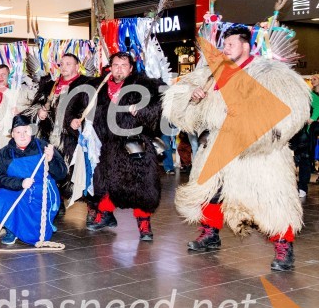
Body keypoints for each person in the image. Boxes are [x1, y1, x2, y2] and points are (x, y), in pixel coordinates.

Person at [164, 25, 310, 270]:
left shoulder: (270, 72)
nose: (226, 48)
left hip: (260, 151)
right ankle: (210, 234)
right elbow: (182, 104)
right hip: (219, 144)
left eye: (231, 44)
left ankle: (284, 247)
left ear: (245, 45)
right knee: (210, 192)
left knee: (273, 199)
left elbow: (292, 109)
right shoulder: (213, 73)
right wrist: (193, 96)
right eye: (224, 44)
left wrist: (258, 130)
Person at [89, 52, 163, 241]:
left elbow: (158, 107)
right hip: (108, 144)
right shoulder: (100, 87)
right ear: (110, 67)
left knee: (142, 186)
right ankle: (105, 214)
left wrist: (143, 111)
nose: (119, 69)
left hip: (136, 143)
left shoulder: (143, 85)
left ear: (131, 68)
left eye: (123, 65)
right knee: (105, 181)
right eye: (115, 65)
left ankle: (144, 224)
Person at [26, 53, 97, 219]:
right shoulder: (51, 85)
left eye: (68, 64)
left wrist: (79, 120)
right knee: (52, 169)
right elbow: (38, 104)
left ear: (77, 66)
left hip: (75, 138)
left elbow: (92, 108)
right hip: (51, 136)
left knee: (80, 172)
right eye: (62, 64)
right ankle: (56, 201)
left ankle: (93, 208)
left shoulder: (85, 84)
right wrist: (40, 112)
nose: (64, 67)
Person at [0, 115, 67, 246]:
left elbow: (62, 173)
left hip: (41, 191)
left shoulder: (44, 147)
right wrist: (20, 183)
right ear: (12, 134)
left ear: (31, 131)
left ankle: (46, 222)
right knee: (0, 198)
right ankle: (11, 229)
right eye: (18, 132)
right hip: (17, 190)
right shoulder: (4, 153)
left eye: (26, 131)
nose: (22, 136)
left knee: (38, 236)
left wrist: (51, 160)